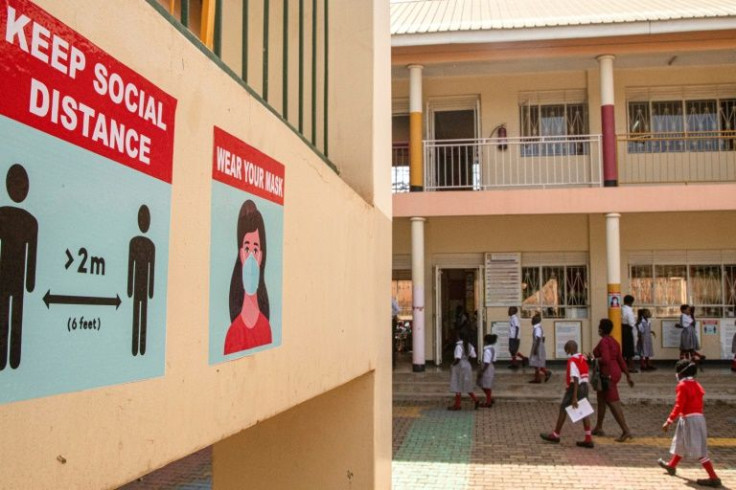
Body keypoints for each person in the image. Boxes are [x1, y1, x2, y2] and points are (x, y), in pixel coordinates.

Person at [657, 360, 721, 488]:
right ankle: (672, 466)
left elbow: (679, 405)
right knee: (681, 442)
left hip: (689, 420)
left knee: (699, 450)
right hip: (697, 419)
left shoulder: (682, 385)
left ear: (680, 373)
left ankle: (713, 477)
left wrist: (669, 420)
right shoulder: (696, 384)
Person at [224, 200, 272, 354]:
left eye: (255, 249)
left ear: (261, 257)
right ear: (240, 254)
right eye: (246, 248)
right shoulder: (232, 334)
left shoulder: (265, 329)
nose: (251, 257)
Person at [540, 340, 594, 448]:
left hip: (575, 388)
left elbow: (575, 378)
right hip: (585, 387)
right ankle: (588, 438)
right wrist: (591, 359)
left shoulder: (572, 361)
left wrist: (574, 397)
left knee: (563, 408)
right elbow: (590, 362)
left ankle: (556, 434)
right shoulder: (583, 358)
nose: (567, 353)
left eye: (567, 350)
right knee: (584, 411)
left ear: (570, 349)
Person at [592, 318, 634, 442]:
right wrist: (627, 375)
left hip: (607, 373)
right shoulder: (615, 342)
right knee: (601, 399)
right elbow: (621, 360)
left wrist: (594, 359)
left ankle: (625, 430)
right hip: (615, 372)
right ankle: (598, 426)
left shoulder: (604, 342)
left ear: (601, 329)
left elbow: (605, 359)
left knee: (612, 401)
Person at [448, 331, 480, 410]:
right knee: (467, 385)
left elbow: (458, 358)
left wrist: (452, 365)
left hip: (459, 366)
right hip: (467, 365)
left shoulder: (458, 346)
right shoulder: (469, 345)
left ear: (459, 337)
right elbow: (474, 356)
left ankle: (457, 405)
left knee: (457, 384)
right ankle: (475, 399)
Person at [528, 313, 551, 384]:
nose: (531, 321)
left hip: (537, 346)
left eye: (532, 319)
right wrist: (541, 345)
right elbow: (543, 338)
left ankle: (545, 373)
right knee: (536, 362)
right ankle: (538, 377)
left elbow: (538, 338)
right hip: (539, 346)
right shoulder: (539, 327)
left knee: (536, 362)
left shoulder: (537, 328)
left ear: (535, 321)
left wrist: (536, 348)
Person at [476, 334, 497, 407]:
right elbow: (494, 360)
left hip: (486, 368)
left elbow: (486, 362)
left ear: (486, 341)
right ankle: (489, 398)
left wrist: (482, 371)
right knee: (486, 385)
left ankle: (488, 402)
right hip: (491, 367)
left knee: (485, 385)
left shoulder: (487, 350)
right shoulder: (492, 349)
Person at [621, 295, 637, 373]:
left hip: (622, 329)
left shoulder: (622, 309)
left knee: (624, 349)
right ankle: (631, 367)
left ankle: (624, 366)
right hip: (628, 329)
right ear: (631, 302)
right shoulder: (629, 310)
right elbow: (631, 322)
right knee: (629, 350)